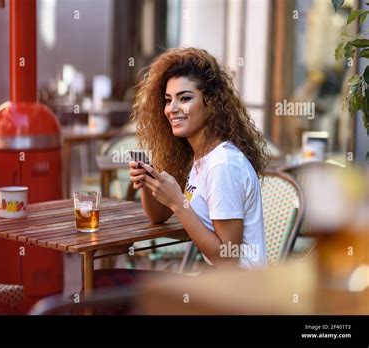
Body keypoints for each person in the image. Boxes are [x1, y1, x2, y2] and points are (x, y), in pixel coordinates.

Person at [93, 47, 269, 296]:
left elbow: (228, 258)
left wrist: (178, 203)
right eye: (168, 100)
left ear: (211, 104)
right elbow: (158, 217)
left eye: (184, 98)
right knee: (102, 282)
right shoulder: (198, 158)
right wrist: (148, 181)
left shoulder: (223, 165)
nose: (172, 108)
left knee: (103, 287)